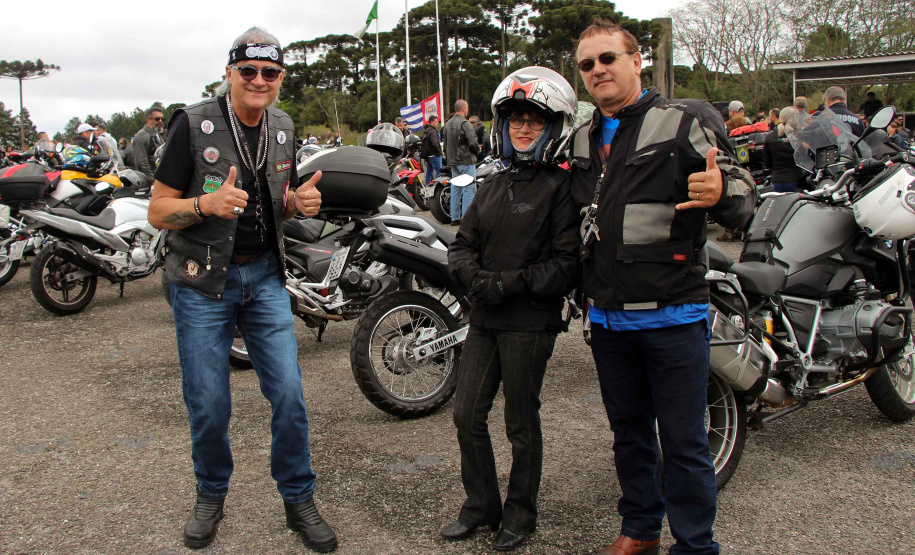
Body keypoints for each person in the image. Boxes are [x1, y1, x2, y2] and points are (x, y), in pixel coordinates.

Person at [147, 26, 338, 553]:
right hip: (202, 282)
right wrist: (203, 206)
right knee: (209, 402)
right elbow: (157, 209)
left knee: (290, 394)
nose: (259, 80)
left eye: (269, 72)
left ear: (280, 77)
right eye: (248, 70)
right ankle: (210, 495)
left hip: (265, 278)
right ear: (230, 72)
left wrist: (297, 204)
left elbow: (278, 203)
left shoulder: (283, 126)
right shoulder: (192, 124)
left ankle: (298, 498)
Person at [569, 19, 755, 555]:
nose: (598, 70)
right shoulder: (580, 138)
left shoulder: (682, 121)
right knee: (629, 434)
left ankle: (695, 545)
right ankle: (640, 529)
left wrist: (722, 191)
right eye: (587, 64)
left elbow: (744, 195)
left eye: (608, 58)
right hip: (608, 318)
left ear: (636, 61)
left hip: (673, 314)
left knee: (684, 441)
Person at [445, 65, 580, 552]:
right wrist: (475, 278)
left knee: (520, 423)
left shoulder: (562, 188)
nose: (524, 128)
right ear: (503, 125)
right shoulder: (491, 184)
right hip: (485, 318)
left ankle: (521, 512)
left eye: (535, 121)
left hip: (530, 322)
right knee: (466, 415)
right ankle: (481, 504)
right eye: (517, 119)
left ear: (553, 127)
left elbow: (567, 264)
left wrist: (507, 283)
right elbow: (461, 246)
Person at [442, 99, 479, 225]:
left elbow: (445, 144)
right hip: (466, 160)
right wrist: (478, 151)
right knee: (469, 189)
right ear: (463, 108)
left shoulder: (448, 124)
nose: (467, 110)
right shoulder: (465, 123)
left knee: (455, 189)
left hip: (453, 161)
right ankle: (466, 219)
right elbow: (473, 142)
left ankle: (454, 218)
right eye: (467, 108)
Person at [764, 106, 806, 192]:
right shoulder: (800, 136)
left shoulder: (770, 137)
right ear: (796, 119)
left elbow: (767, 161)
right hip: (797, 181)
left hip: (777, 180)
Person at [133, 107, 165, 180]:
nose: (160, 121)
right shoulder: (142, 136)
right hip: (151, 180)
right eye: (157, 119)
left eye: (162, 119)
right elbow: (141, 163)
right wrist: (152, 181)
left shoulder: (157, 134)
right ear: (148, 119)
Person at [420, 114, 443, 184]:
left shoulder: (426, 131)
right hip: (434, 154)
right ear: (432, 122)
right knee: (439, 171)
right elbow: (434, 143)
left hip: (428, 155)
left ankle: (427, 185)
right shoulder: (433, 131)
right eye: (436, 121)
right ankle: (437, 185)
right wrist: (439, 152)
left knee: (429, 172)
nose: (438, 123)